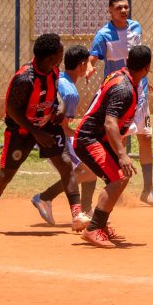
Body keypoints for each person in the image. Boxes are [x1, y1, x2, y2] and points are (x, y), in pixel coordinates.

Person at [0, 33, 82, 233]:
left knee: (66, 164)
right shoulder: (25, 79)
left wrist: (59, 107)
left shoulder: (53, 71)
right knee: (6, 174)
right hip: (22, 130)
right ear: (51, 57)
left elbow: (56, 95)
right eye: (60, 51)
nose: (63, 54)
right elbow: (12, 110)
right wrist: (35, 132)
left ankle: (77, 214)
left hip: (46, 124)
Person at [85, 0, 153, 206]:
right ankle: (116, 187)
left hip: (140, 92)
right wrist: (90, 66)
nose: (124, 11)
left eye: (126, 7)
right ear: (110, 10)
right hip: (121, 92)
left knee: (146, 137)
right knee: (120, 140)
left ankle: (148, 190)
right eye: (119, 8)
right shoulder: (103, 34)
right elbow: (93, 56)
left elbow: (138, 58)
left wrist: (146, 77)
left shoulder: (136, 27)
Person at [75, 45, 151, 248]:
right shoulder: (124, 88)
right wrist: (122, 154)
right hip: (89, 138)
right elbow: (110, 122)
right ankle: (93, 229)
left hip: (97, 138)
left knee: (120, 178)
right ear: (148, 67)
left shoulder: (122, 76)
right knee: (117, 179)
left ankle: (99, 224)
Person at [30, 44, 97, 230]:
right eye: (89, 64)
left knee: (91, 164)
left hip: (42, 133)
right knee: (85, 171)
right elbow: (64, 128)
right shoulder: (71, 92)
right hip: (54, 139)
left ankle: (86, 209)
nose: (90, 68)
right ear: (82, 64)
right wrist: (84, 134)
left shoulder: (57, 78)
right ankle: (44, 197)